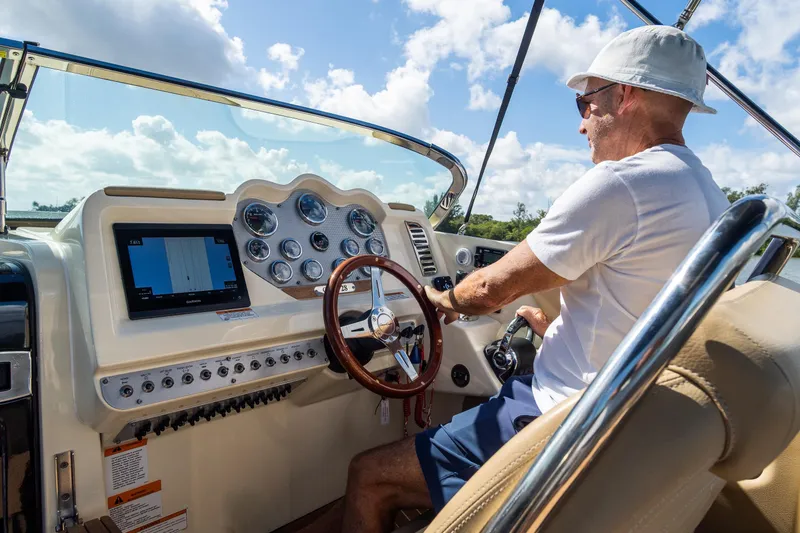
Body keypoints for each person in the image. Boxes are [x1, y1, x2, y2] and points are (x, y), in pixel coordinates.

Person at [301, 25, 730, 533]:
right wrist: (562, 335)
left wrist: (441, 299)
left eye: (586, 104)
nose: (582, 124)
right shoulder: (708, 193)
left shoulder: (623, 184)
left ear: (626, 93)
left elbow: (488, 290)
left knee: (369, 475)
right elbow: (648, 309)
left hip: (563, 421)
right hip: (625, 418)